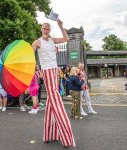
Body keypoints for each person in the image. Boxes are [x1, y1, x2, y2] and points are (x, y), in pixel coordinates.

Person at [32, 20, 75, 148]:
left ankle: (48, 134)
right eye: (45, 28)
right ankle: (65, 135)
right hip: (46, 71)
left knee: (51, 100)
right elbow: (30, 54)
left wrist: (61, 26)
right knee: (55, 97)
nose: (46, 30)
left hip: (55, 70)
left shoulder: (52, 41)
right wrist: (37, 69)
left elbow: (66, 39)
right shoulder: (37, 42)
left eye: (48, 29)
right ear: (41, 29)